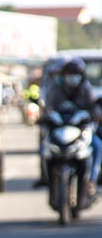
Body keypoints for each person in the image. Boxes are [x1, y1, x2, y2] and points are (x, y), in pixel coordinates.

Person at [37, 57, 98, 194]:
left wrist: (93, 117)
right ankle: (45, 177)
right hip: (60, 130)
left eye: (75, 74)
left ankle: (91, 180)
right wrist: (44, 119)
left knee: (97, 146)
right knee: (43, 146)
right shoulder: (56, 89)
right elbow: (48, 110)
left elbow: (93, 109)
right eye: (70, 74)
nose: (73, 77)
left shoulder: (86, 90)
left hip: (81, 131)